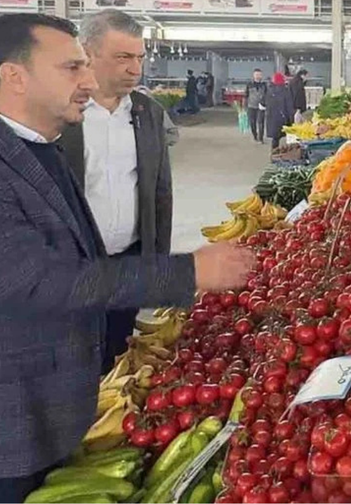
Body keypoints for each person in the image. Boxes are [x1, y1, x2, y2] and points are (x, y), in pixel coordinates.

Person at [0, 14, 255, 501]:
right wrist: (187, 271)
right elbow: (37, 280)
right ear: (14, 76)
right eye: (72, 67)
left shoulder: (39, 146)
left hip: (57, 383)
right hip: (15, 410)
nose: (88, 80)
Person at [59, 9, 182, 373]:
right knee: (71, 360)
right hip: (73, 268)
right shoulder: (61, 112)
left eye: (140, 57)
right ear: (87, 53)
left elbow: (161, 192)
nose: (135, 69)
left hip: (129, 262)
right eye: (123, 57)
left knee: (118, 354)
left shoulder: (148, 113)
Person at [266, 72, 294, 149]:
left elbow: (264, 104)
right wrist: (292, 119)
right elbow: (289, 106)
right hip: (283, 118)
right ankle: (287, 153)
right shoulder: (285, 90)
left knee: (275, 139)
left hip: (272, 118)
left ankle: (274, 153)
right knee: (289, 137)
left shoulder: (269, 90)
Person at [245, 68, 267, 144]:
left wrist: (265, 104)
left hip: (261, 106)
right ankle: (255, 136)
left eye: (259, 74)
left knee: (261, 122)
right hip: (251, 106)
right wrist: (245, 106)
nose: (258, 76)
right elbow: (246, 95)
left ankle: (261, 138)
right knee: (252, 123)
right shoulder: (249, 85)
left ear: (261, 76)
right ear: (253, 75)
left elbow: (267, 95)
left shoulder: (264, 85)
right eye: (256, 74)